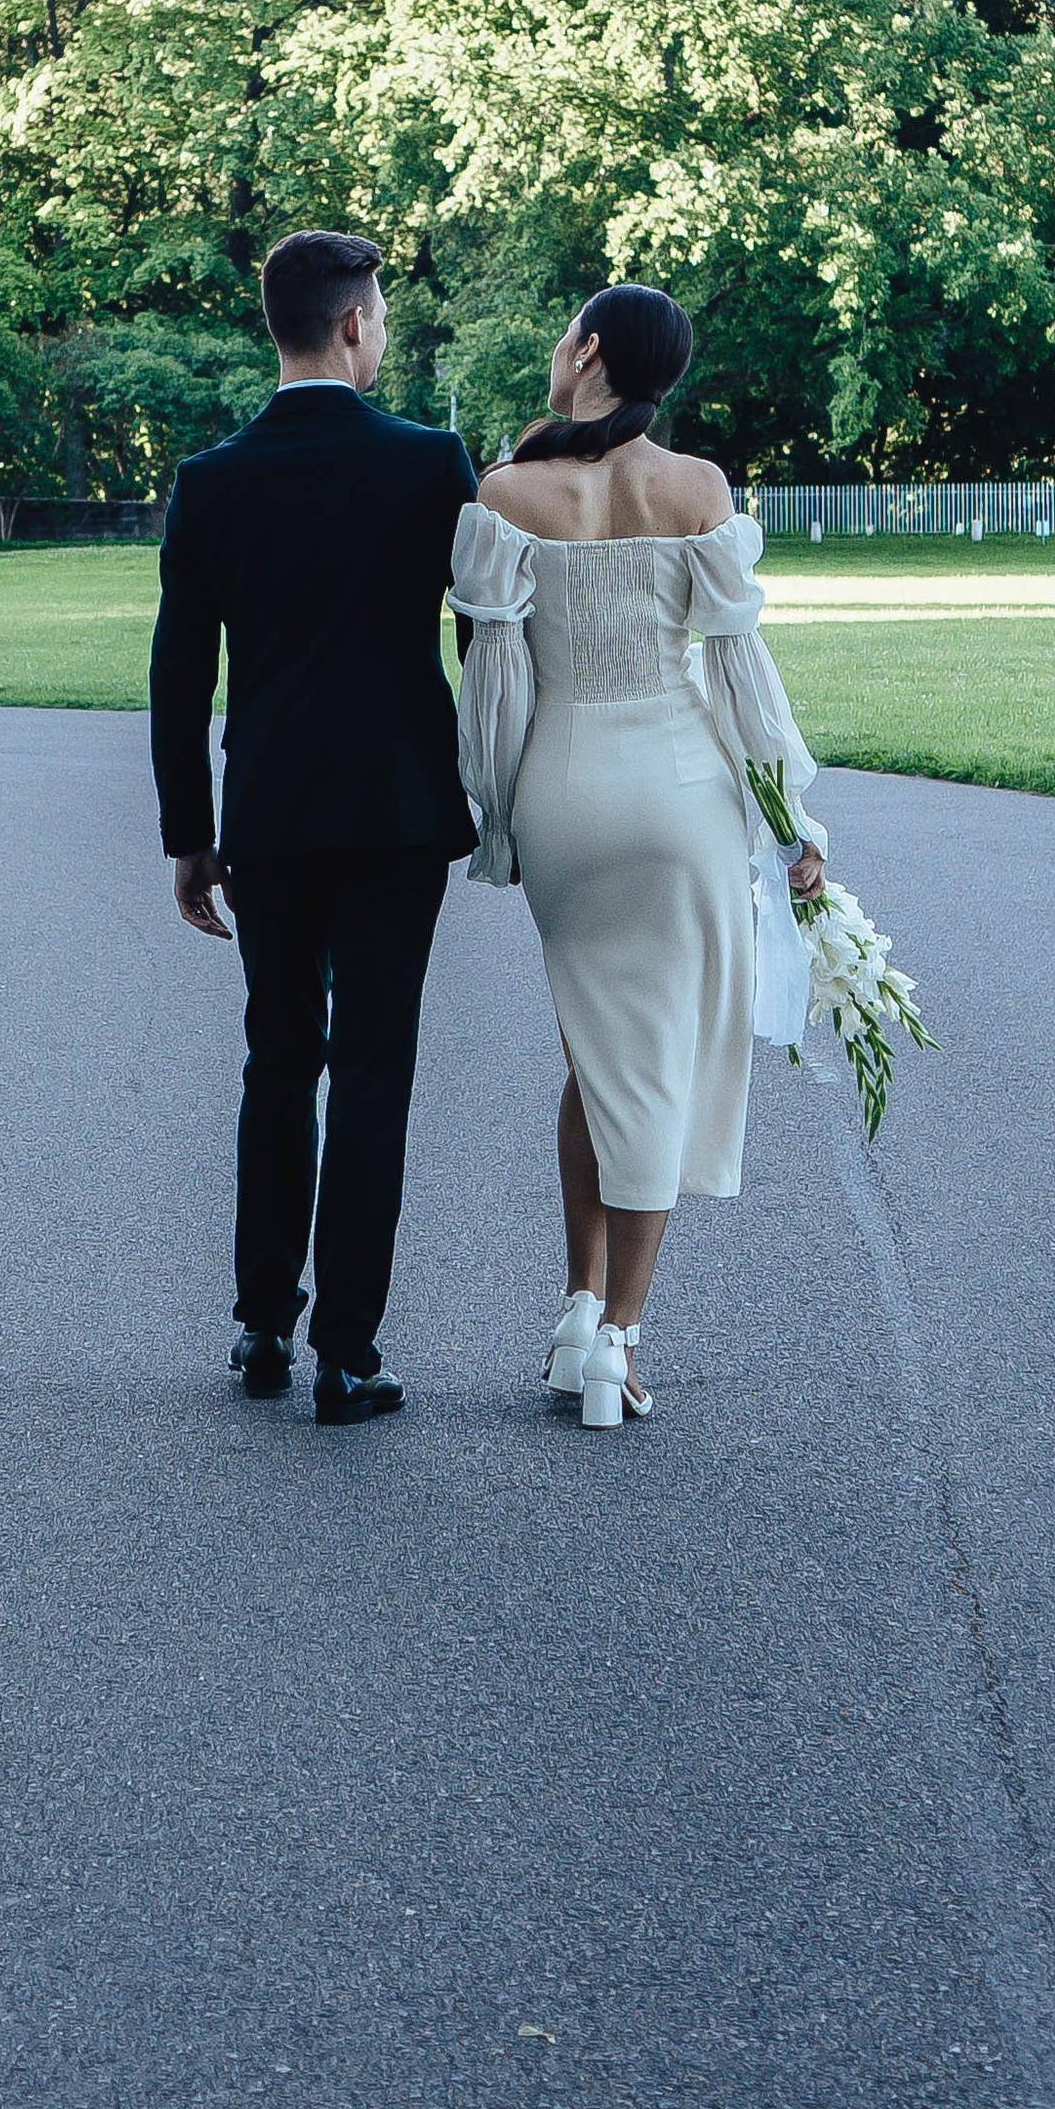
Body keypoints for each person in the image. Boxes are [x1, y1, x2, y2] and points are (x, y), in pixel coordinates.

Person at [451, 286, 825, 1429]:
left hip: (566, 792)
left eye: (563, 334)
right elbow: (738, 679)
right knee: (658, 1061)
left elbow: (493, 685)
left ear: (591, 352)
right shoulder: (697, 489)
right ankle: (616, 1338)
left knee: (599, 1059)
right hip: (681, 795)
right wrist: (790, 814)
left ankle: (576, 1309)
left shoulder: (508, 493)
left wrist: (500, 819)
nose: (554, 350)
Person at [150, 230, 478, 1423]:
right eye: (380, 312)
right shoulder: (432, 463)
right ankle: (349, 1349)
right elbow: (479, 645)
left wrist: (191, 831)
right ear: (351, 324)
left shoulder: (212, 479)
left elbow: (181, 675)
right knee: (375, 1073)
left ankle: (258, 1324)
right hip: (397, 811)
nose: (382, 330)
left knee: (278, 1059)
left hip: (273, 812)